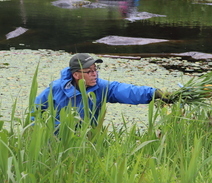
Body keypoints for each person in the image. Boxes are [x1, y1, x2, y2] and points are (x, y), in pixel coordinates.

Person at [34, 53, 169, 127]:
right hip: (57, 141)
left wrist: (154, 93)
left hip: (88, 140)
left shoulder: (101, 87)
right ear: (76, 75)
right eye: (89, 71)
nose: (94, 74)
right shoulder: (56, 88)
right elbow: (35, 111)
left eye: (95, 70)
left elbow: (126, 91)